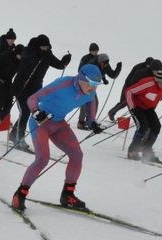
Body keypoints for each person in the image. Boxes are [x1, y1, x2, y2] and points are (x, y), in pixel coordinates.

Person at [10, 64, 105, 211]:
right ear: (81, 78)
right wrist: (36, 112)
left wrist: (92, 121)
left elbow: (91, 102)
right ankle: (20, 194)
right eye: (92, 84)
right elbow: (32, 99)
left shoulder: (90, 93)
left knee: (77, 155)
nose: (93, 88)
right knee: (42, 159)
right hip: (41, 122)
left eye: (97, 85)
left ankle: (68, 194)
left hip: (59, 124)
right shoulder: (63, 84)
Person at [10, 34, 71, 151]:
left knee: (27, 113)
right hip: (22, 87)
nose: (45, 49)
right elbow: (26, 63)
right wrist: (39, 56)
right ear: (38, 45)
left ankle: (14, 134)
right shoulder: (29, 51)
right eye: (43, 47)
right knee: (25, 112)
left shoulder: (47, 54)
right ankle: (18, 138)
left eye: (46, 47)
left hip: (35, 90)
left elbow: (58, 65)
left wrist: (65, 61)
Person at [125, 68, 162, 163]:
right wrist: (132, 107)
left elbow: (155, 98)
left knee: (156, 126)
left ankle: (147, 151)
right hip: (136, 106)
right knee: (143, 126)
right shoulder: (147, 84)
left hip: (148, 108)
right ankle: (132, 151)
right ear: (158, 80)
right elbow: (129, 92)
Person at [107, 57, 162, 122]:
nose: (149, 67)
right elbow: (131, 78)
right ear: (146, 63)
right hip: (129, 85)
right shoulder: (139, 68)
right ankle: (111, 112)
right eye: (148, 65)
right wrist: (130, 89)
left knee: (135, 104)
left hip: (138, 88)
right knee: (124, 102)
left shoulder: (151, 71)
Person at [77, 52, 122, 129]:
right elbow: (83, 72)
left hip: (93, 85)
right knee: (85, 102)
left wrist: (118, 69)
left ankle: (90, 121)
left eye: (107, 63)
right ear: (100, 61)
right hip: (84, 83)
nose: (106, 65)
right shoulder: (92, 64)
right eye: (104, 63)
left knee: (95, 102)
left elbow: (112, 75)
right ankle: (81, 122)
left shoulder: (106, 64)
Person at [0, 43, 25, 125]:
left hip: (8, 80)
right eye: (20, 55)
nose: (21, 57)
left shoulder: (19, 61)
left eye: (22, 56)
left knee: (10, 97)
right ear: (16, 53)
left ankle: (3, 118)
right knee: (2, 96)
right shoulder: (5, 56)